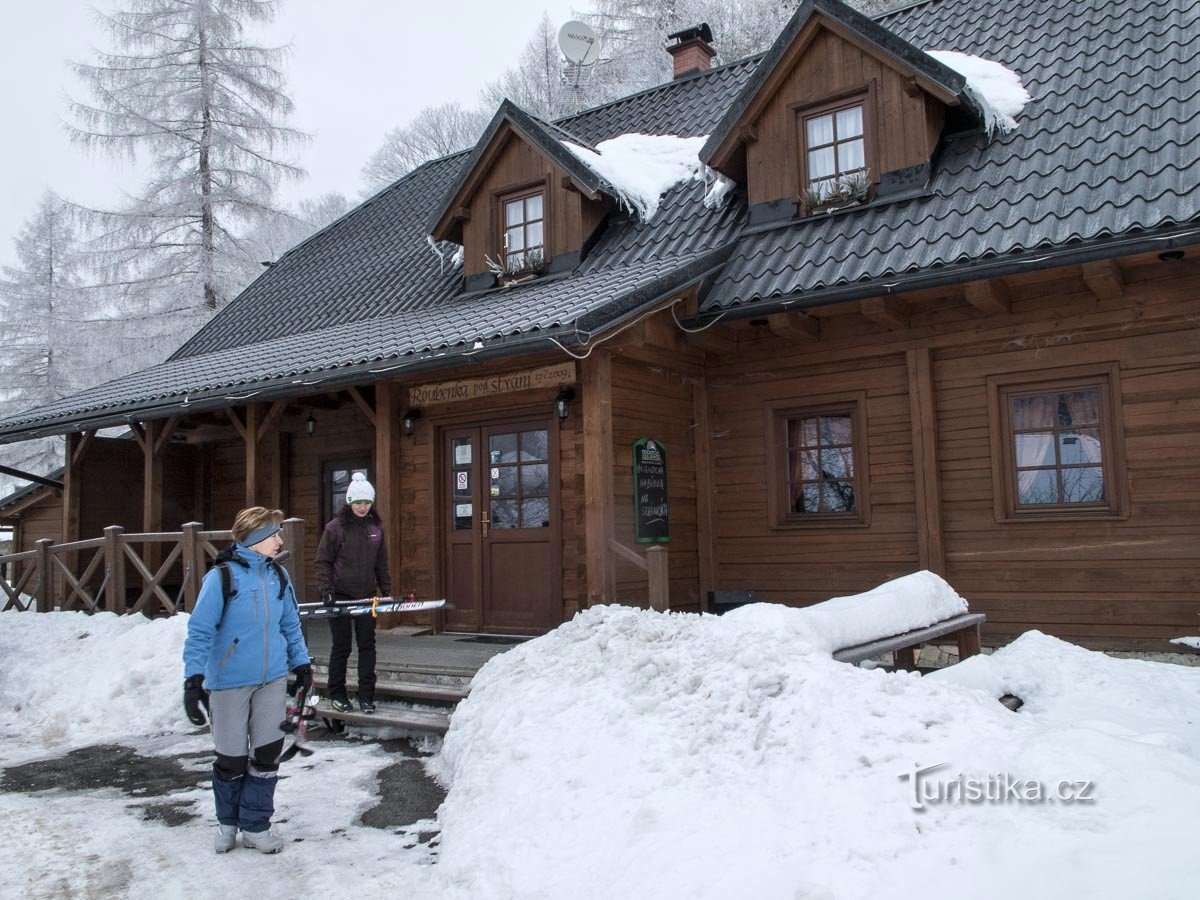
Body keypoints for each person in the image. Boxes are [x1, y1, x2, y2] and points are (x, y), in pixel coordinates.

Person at [182, 507, 312, 855]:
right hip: (229, 683)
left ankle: (255, 826)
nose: (280, 540)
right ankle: (227, 824)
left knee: (267, 754)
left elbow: (290, 625)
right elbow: (199, 632)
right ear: (255, 539)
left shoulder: (278, 577)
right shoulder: (221, 578)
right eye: (274, 534)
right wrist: (192, 679)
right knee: (231, 759)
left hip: (271, 679)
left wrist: (301, 664)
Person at [315, 472, 392, 714]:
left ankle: (367, 696)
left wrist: (386, 590)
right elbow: (323, 562)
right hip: (339, 595)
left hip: (366, 595)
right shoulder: (335, 528)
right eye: (358, 502)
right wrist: (326, 592)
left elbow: (381, 562)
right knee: (342, 646)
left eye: (366, 502)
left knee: (367, 645)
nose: (362, 507)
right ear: (349, 502)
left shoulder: (375, 528)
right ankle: (337, 694)